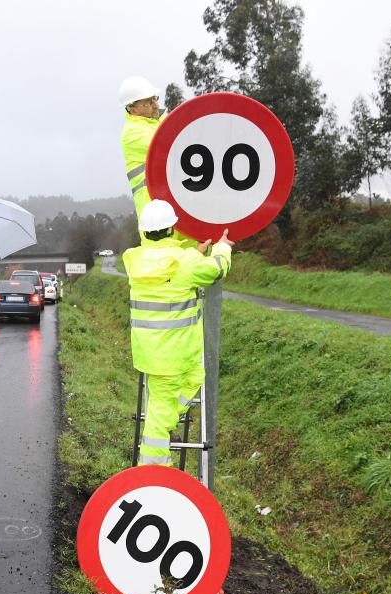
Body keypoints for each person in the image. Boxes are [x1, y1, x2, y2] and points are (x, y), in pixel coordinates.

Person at [122, 201, 233, 466]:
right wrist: (222, 248)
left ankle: (168, 420)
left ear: (145, 231)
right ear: (173, 228)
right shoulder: (186, 262)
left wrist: (195, 252)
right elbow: (217, 269)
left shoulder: (136, 260)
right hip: (174, 354)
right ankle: (153, 469)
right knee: (159, 415)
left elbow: (170, 270)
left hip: (150, 352)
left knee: (195, 377)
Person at [119, 75, 164, 220]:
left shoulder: (158, 120)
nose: (156, 105)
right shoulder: (132, 133)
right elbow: (170, 148)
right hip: (154, 216)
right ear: (133, 110)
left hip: (173, 204)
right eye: (148, 103)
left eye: (155, 99)